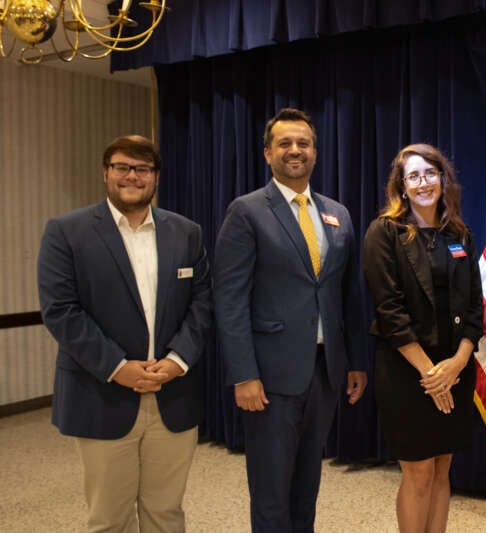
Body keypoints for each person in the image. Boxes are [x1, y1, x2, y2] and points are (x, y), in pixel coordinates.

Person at [37, 135, 213, 532]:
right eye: (122, 167)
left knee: (166, 514)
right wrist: (117, 367)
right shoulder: (67, 231)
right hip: (102, 394)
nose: (132, 176)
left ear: (156, 177)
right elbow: (62, 312)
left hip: (173, 394)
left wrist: (176, 361)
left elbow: (203, 304)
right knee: (109, 519)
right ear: (106, 172)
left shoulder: (187, 233)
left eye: (143, 169)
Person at [213, 107, 368, 532]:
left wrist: (354, 361)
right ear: (268, 153)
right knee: (271, 493)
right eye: (285, 143)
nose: (294, 150)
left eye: (303, 143)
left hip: (324, 373)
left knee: (307, 487)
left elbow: (346, 294)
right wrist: (243, 373)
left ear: (315, 153)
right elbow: (229, 299)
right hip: (268, 378)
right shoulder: (246, 212)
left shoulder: (338, 213)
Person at [362, 143, 483, 533]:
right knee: (418, 474)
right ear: (401, 185)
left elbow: (476, 311)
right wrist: (432, 375)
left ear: (443, 179)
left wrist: (458, 363)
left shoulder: (459, 235)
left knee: (443, 468)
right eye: (413, 176)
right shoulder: (384, 233)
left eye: (430, 173)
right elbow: (391, 314)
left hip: (455, 369)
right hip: (407, 372)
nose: (423, 182)